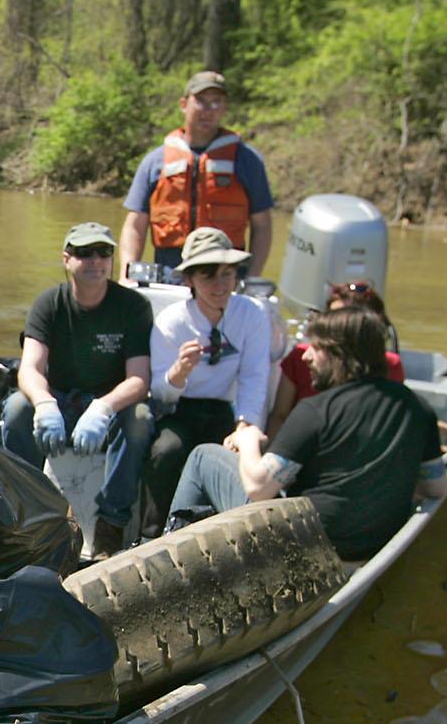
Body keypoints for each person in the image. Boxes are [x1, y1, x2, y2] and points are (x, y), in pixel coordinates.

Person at [165, 305, 447, 561]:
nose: (307, 356)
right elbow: (436, 488)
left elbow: (259, 488)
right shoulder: (418, 407)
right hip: (371, 550)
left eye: (316, 347)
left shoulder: (316, 410)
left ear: (343, 355)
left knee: (204, 457)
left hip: (302, 550)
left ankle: (168, 562)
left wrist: (248, 439)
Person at [0, 221, 153, 556]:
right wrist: (43, 403)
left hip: (108, 408)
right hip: (61, 401)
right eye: (85, 253)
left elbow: (140, 379)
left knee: (140, 418)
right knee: (15, 410)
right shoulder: (48, 304)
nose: (96, 260)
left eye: (104, 252)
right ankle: (25, 514)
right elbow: (30, 368)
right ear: (66, 259)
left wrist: (103, 407)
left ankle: (110, 525)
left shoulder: (133, 306)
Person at [140, 226, 272, 536]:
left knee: (234, 457)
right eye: (208, 276)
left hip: (224, 410)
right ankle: (151, 534)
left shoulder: (251, 315)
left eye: (227, 275)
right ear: (189, 280)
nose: (220, 285)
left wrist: (245, 426)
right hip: (180, 410)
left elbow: (254, 376)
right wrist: (178, 374)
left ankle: (228, 537)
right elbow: (160, 392)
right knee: (166, 451)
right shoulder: (172, 321)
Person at [119, 70, 275, 282]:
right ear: (184, 104)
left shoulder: (247, 161)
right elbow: (135, 223)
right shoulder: (155, 161)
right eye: (200, 101)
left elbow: (262, 224)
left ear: (224, 108)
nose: (208, 110)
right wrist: (127, 275)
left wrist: (253, 277)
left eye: (216, 102)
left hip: (226, 276)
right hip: (169, 273)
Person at [266, 279, 404, 438]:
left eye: (352, 321)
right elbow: (280, 415)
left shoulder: (391, 364)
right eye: (334, 317)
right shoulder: (300, 358)